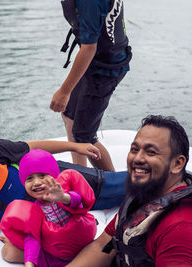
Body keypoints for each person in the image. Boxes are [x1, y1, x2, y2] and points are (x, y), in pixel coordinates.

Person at [67, 115, 192, 267]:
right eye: (134, 149)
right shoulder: (146, 196)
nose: (138, 158)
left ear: (177, 164)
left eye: (151, 152)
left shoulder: (184, 231)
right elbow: (102, 246)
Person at [50, 0, 132, 171]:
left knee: (84, 135)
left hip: (104, 69)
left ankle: (113, 184)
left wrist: (64, 91)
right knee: (69, 116)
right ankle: (80, 175)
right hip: (94, 63)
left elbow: (89, 48)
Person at [0, 149, 97, 266]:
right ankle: (14, 243)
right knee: (8, 252)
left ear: (54, 177)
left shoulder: (62, 192)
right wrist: (30, 263)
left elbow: (78, 201)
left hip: (85, 242)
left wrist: (62, 197)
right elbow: (33, 238)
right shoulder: (34, 210)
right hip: (59, 255)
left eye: (42, 175)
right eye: (29, 178)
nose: (36, 182)